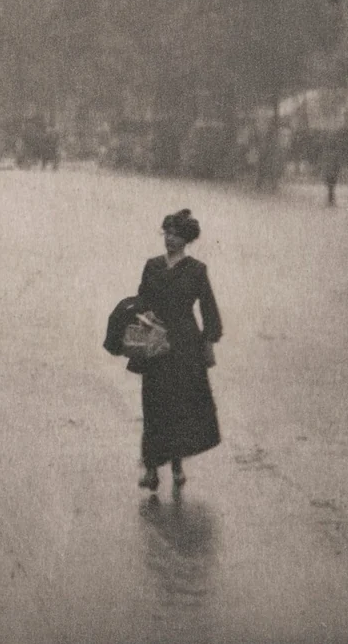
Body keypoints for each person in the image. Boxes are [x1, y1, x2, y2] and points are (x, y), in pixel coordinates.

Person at [104, 209, 222, 493]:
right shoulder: (152, 266)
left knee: (179, 405)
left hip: (184, 346)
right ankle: (151, 470)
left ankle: (178, 465)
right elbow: (143, 299)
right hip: (155, 342)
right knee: (154, 403)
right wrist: (136, 319)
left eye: (176, 235)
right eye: (167, 233)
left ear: (187, 239)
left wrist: (208, 340)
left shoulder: (197, 271)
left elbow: (208, 308)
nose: (170, 239)